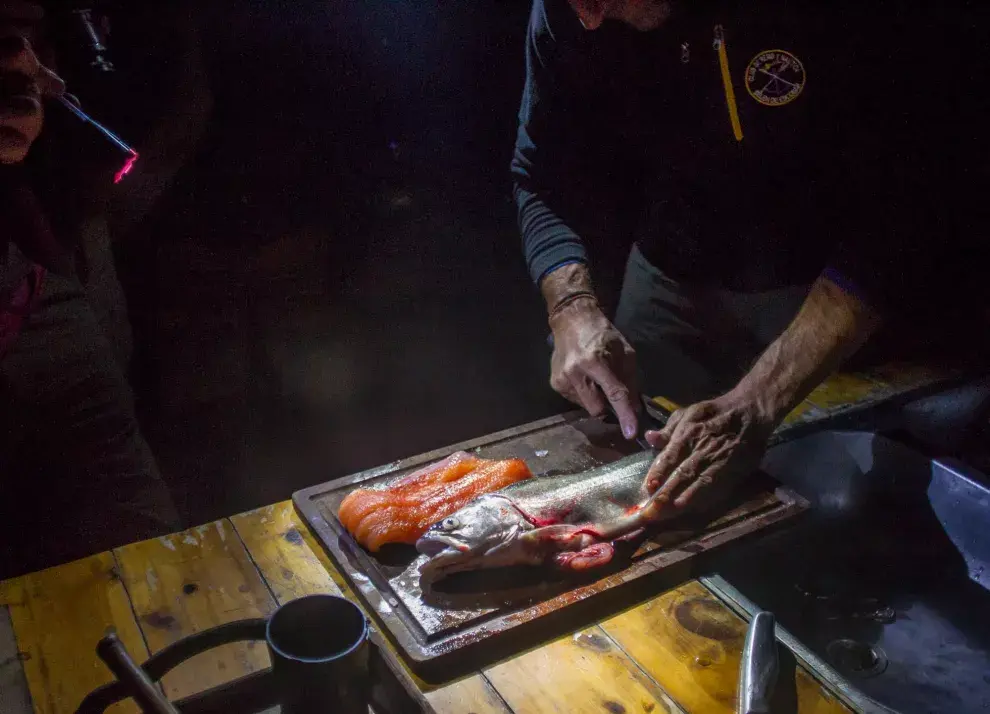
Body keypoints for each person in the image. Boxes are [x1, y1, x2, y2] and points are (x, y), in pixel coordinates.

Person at [512, 0, 987, 513]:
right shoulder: (570, 11)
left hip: (826, 282)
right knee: (641, 468)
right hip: (671, 268)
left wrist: (760, 398)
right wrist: (572, 305)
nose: (590, 19)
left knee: (847, 488)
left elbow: (907, 210)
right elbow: (542, 170)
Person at [0, 0, 180, 576]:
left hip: (30, 292)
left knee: (141, 552)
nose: (35, 72)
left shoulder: (53, 304)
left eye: (26, 36)